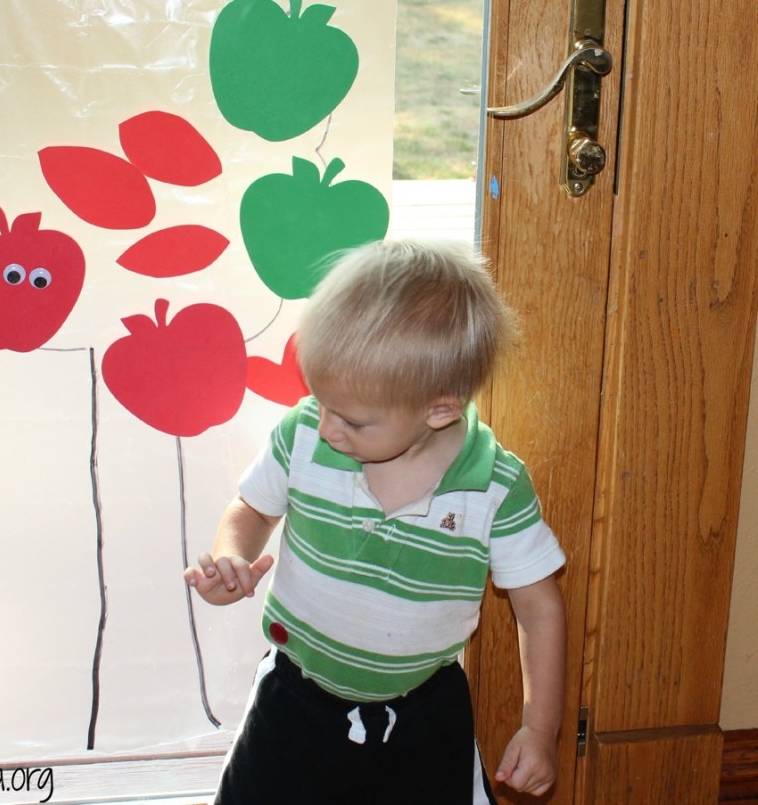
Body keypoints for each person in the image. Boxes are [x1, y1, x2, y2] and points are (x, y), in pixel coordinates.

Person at [184, 238, 567, 804]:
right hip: (294, 700)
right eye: (321, 400)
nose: (327, 427)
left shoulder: (495, 487)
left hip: (423, 715)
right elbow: (252, 509)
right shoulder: (307, 436)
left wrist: (540, 729)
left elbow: (539, 608)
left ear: (440, 408)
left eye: (353, 420)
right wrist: (233, 557)